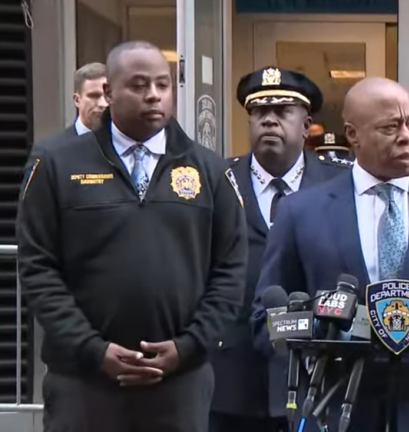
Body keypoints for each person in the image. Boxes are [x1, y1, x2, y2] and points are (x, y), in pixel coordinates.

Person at [16, 40, 248, 432]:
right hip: (83, 384)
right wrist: (93, 350)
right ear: (108, 93)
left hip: (178, 386)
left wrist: (187, 348)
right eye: (139, 85)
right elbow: (38, 268)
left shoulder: (210, 171)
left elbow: (230, 271)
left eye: (163, 84)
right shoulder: (56, 162)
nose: (154, 95)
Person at [251, 77, 409, 432]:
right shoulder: (299, 212)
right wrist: (312, 346)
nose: (407, 136)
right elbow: (265, 318)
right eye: (390, 127)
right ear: (353, 135)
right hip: (333, 409)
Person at [209, 66, 350, 432]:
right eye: (259, 112)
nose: (269, 121)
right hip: (231, 376)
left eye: (282, 112)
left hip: (321, 376)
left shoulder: (341, 185)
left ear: (306, 125)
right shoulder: (218, 182)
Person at [23, 63, 108, 172]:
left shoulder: (127, 150)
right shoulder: (48, 153)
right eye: (94, 96)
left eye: (108, 95)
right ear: (77, 100)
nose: (103, 104)